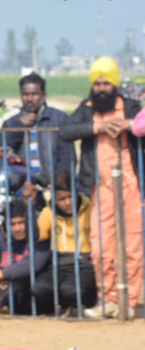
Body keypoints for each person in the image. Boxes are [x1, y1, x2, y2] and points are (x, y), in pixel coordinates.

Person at [59, 57, 143, 316]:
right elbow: (65, 131)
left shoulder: (131, 107)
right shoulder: (87, 109)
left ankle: (129, 302)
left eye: (106, 83)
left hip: (131, 186)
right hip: (100, 188)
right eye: (97, 84)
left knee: (132, 246)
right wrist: (98, 127)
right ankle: (108, 300)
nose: (102, 89)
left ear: (114, 84)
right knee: (101, 248)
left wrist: (129, 125)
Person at [31, 170, 97, 316]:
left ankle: (88, 302)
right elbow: (37, 235)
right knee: (39, 288)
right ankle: (62, 306)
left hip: (85, 265)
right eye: (62, 199)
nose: (68, 202)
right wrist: (31, 204)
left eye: (70, 196)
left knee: (71, 290)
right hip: (59, 265)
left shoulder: (90, 208)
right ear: (54, 199)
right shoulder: (48, 211)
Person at [0, 72, 74, 187]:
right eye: (25, 94)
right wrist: (18, 126)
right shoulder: (11, 123)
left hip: (52, 186)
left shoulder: (59, 119)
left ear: (44, 95)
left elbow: (66, 156)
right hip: (22, 187)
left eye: (34, 94)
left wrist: (58, 183)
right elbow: (0, 152)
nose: (29, 99)